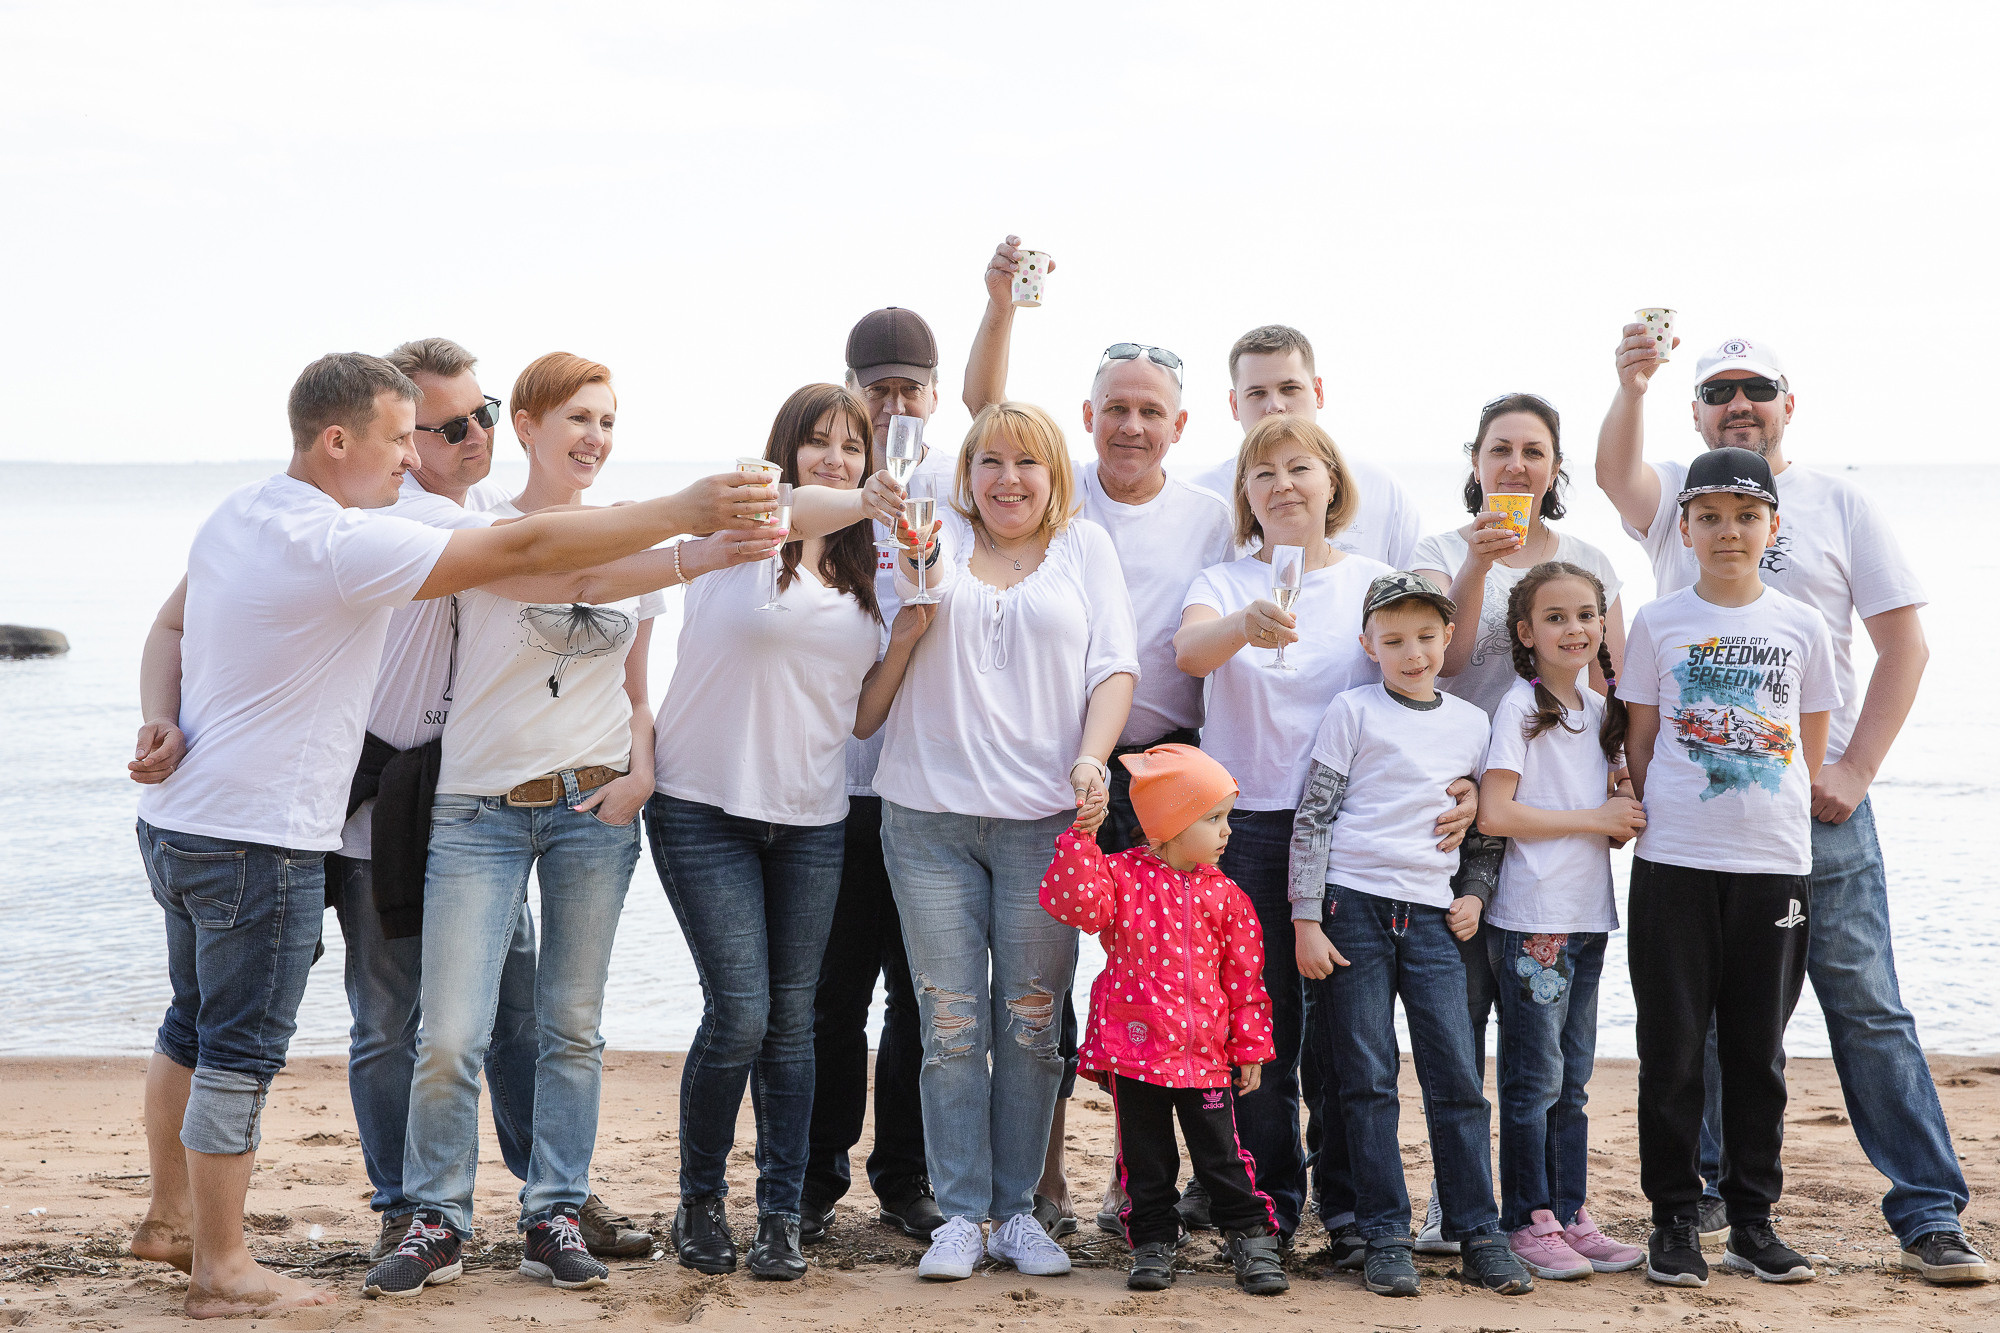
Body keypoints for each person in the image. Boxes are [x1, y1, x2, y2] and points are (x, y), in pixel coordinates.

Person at [127, 351, 774, 1318]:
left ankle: (178, 1218)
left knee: (205, 1021)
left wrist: (163, 718)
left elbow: (178, 624)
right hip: (290, 824)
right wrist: (687, 513)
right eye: (414, 433)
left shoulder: (242, 511)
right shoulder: (361, 537)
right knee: (272, 1042)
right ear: (341, 439)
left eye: (481, 415)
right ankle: (269, 1249)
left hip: (192, 819)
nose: (437, 447)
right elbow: (536, 554)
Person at [1595, 330, 1987, 1284]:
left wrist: (1853, 769)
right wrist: (1632, 384)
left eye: (1757, 387)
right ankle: (1709, 1202)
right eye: (1718, 390)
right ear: (1695, 413)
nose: (1738, 402)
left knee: (1866, 1005)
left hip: (1817, 808)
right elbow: (1612, 473)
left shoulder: (1841, 503)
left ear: (1788, 402)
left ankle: (1928, 1211)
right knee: (1706, 1028)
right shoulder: (1674, 500)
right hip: (1694, 826)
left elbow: (1905, 646)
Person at [367, 352, 745, 1298]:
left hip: (593, 813)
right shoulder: (481, 528)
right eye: (578, 417)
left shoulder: (635, 541)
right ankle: (436, 1219)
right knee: (451, 1033)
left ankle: (554, 1214)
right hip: (477, 812)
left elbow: (636, 691)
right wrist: (692, 545)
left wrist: (640, 774)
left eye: (608, 422)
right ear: (526, 427)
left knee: (572, 1028)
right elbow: (561, 572)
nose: (595, 437)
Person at [965, 239, 1238, 1235]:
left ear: (1179, 426)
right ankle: (1040, 1184)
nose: (1130, 424)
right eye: (1114, 407)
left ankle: (1141, 1187)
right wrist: (1002, 306)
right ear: (1086, 417)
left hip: (1167, 772)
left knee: (1163, 986)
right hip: (1059, 767)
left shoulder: (1210, 516)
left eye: (1149, 411)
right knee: (1040, 985)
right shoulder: (1053, 488)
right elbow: (986, 416)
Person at [1173, 414, 1472, 1258]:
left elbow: (1423, 687)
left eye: (1299, 467)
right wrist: (1244, 624)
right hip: (1243, 828)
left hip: (1353, 837)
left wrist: (1465, 783)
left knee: (1347, 1038)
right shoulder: (1223, 580)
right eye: (1263, 473)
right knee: (1257, 1026)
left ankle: (1348, 1211)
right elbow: (1189, 652)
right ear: (1246, 493)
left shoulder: (1374, 582)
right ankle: (1269, 1204)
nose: (1282, 485)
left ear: (1332, 481)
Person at [648, 384, 927, 1280]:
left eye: (853, 446)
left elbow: (860, 717)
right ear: (788, 452)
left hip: (811, 819)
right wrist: (866, 496)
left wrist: (907, 636)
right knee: (740, 1013)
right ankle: (700, 1201)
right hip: (703, 808)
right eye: (820, 442)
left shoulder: (867, 572)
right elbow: (794, 508)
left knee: (794, 1024)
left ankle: (778, 1216)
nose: (837, 458)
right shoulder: (746, 532)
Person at [872, 401, 1139, 1281]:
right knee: (950, 1022)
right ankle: (959, 1215)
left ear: (1055, 473)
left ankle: (1018, 1210)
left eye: (1027, 462)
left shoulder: (1085, 547)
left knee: (1030, 1022)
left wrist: (1093, 758)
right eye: (989, 461)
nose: (1008, 478)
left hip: (1045, 825)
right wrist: (914, 552)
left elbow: (1114, 667)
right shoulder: (934, 531)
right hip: (927, 817)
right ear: (965, 473)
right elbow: (904, 601)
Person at [1615, 447, 1839, 1288]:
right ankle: (1675, 1218)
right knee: (1671, 1051)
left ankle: (1751, 1221)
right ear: (1685, 528)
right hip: (1674, 863)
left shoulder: (1802, 626)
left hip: (1773, 865)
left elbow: (1806, 746)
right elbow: (1641, 739)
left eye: (1746, 516)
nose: (1728, 531)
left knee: (1758, 1053)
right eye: (1709, 516)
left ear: (1772, 526)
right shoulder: (1658, 622)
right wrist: (1667, 813)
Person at [1407, 390, 1626, 1252]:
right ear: (1475, 460)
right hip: (1460, 803)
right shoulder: (1440, 550)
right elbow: (1446, 659)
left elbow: (1610, 683)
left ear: (1556, 466)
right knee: (1459, 1026)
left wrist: (1621, 783)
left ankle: (1554, 1208)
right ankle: (1457, 1200)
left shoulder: (1587, 560)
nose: (1516, 464)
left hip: (1556, 819)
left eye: (1534, 450)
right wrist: (1475, 563)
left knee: (1553, 1053)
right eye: (1500, 448)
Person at [1288, 572, 1532, 1300]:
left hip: (1432, 917)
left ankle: (1478, 1231)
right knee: (1365, 1079)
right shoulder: (1352, 710)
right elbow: (1315, 815)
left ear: (1448, 638)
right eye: (1393, 640)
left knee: (1456, 1077)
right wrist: (1306, 918)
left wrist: (1474, 893)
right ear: (1369, 645)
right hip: (1352, 909)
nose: (1413, 652)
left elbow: (1486, 827)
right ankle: (1385, 1234)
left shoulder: (1471, 723)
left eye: (1426, 637)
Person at [803, 308, 952, 1246]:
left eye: (910, 388)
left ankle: (905, 1176)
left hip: (924, 787)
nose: (894, 404)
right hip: (832, 785)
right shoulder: (824, 496)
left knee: (919, 998)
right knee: (831, 998)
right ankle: (815, 1177)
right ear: (853, 392)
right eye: (878, 388)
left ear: (935, 396)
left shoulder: (958, 491)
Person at [1038, 744, 1287, 1297]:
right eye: (1213, 818)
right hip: (1136, 1052)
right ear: (1171, 824)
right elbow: (1071, 904)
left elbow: (1246, 983)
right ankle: (1152, 1239)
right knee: (1145, 1159)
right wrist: (1081, 839)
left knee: (1222, 1157)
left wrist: (1250, 1048)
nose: (1227, 831)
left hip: (1204, 1058)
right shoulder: (1120, 876)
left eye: (1226, 817)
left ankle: (1251, 1236)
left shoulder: (1228, 898)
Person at [1474, 562, 1647, 1279]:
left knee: (1573, 1079)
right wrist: (1595, 818)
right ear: (1526, 632)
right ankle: (1528, 1219)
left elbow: (1611, 812)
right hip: (1533, 917)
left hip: (1586, 915)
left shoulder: (1602, 712)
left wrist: (1620, 814)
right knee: (1534, 1077)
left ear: (1602, 626)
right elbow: (1496, 813)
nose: (1574, 628)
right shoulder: (1518, 708)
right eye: (1555, 617)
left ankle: (1570, 1213)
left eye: (1585, 615)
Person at [1188, 324, 1421, 568]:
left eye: (1289, 389)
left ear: (1318, 392)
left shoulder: (1380, 488)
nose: (1275, 406)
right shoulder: (1202, 499)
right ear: (1234, 404)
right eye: (1257, 393)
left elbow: (1418, 585)